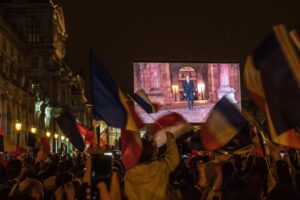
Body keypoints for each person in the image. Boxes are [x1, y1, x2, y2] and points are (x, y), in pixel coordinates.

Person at [124, 131, 179, 200]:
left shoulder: (129, 173)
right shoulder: (160, 168)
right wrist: (171, 141)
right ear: (152, 153)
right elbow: (173, 158)